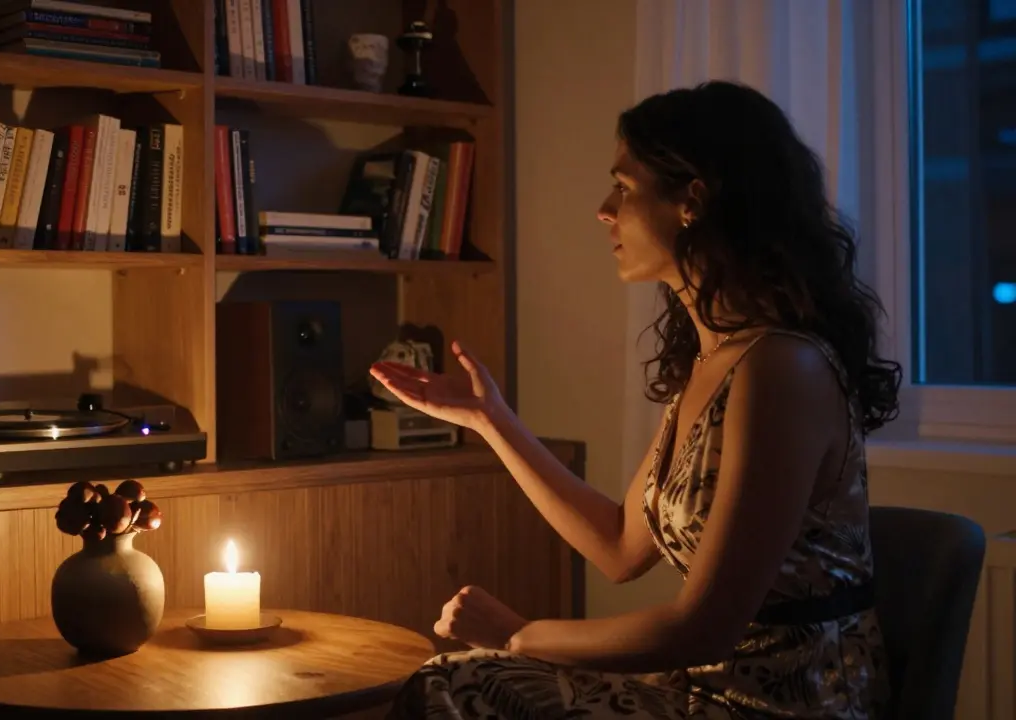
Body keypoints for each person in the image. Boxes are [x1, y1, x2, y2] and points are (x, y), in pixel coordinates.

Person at [369, 80, 901, 719]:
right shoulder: (715, 364)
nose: (604, 210)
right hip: (703, 689)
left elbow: (705, 628)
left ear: (691, 202)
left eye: (623, 187)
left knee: (455, 685)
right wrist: (492, 421)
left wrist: (519, 635)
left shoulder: (782, 368)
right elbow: (621, 545)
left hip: (787, 704)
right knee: (460, 680)